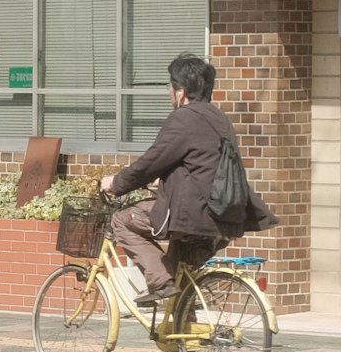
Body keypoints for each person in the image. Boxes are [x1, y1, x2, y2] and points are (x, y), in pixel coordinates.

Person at [100, 54, 278, 308]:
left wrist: (115, 183)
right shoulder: (219, 119)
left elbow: (152, 161)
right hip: (224, 219)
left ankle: (159, 282)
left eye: (169, 87)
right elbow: (198, 166)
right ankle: (181, 344)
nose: (168, 93)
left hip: (193, 217)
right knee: (181, 287)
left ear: (180, 92)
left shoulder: (184, 118)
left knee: (122, 221)